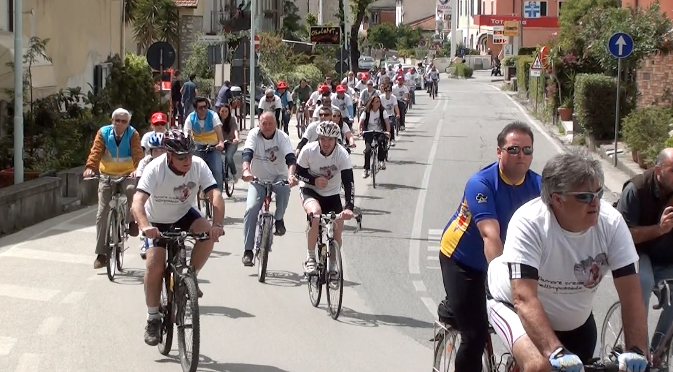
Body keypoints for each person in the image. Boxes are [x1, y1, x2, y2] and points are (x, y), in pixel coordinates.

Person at [487, 148, 648, 372]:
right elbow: (524, 298)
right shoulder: (529, 222)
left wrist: (637, 350)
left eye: (598, 194)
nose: (595, 203)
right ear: (557, 199)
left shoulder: (611, 223)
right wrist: (555, 351)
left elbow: (631, 295)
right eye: (584, 197)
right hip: (512, 304)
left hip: (574, 321)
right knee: (540, 366)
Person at [437, 121, 541, 372]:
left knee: (538, 327)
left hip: (510, 260)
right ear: (499, 152)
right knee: (475, 335)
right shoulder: (481, 183)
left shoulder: (539, 186)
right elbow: (490, 235)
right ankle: (456, 305)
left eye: (527, 151)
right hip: (463, 259)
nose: (521, 156)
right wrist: (501, 284)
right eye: (514, 149)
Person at [131, 129, 225, 346]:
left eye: (190, 155)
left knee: (207, 235)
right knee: (154, 265)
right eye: (182, 157)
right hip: (156, 221)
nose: (187, 161)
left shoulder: (198, 166)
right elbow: (137, 202)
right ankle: (153, 318)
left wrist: (217, 225)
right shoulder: (156, 168)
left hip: (184, 214)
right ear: (169, 155)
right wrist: (145, 226)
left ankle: (190, 275)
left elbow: (215, 195)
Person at [616, 147, 673, 363]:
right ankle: (638, 348)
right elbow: (623, 235)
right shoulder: (636, 189)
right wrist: (660, 229)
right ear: (658, 169)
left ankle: (658, 352)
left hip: (667, 256)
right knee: (644, 281)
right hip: (637, 253)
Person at [84, 108, 144, 269]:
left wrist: (138, 169)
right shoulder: (103, 133)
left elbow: (138, 154)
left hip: (126, 174)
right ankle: (101, 254)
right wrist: (90, 167)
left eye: (124, 121)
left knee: (131, 189)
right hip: (106, 175)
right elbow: (96, 152)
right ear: (112, 121)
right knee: (102, 214)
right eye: (117, 120)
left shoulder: (133, 134)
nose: (120, 124)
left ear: (128, 123)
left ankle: (132, 221)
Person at [240, 112, 299, 266]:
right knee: (251, 209)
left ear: (276, 124)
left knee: (285, 189)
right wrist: (246, 170)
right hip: (257, 179)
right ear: (259, 123)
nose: (266, 127)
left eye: (270, 124)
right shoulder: (254, 135)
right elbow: (247, 154)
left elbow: (290, 159)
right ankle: (248, 251)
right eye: (263, 123)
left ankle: (279, 219)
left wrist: (291, 176)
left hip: (278, 177)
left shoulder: (282, 137)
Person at [295, 121, 354, 274]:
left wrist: (348, 207)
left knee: (338, 227)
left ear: (336, 140)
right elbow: (297, 173)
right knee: (315, 215)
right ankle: (310, 258)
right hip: (309, 189)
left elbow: (349, 183)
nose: (326, 143)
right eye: (323, 139)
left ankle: (333, 263)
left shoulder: (342, 154)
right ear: (318, 138)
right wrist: (314, 180)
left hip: (332, 193)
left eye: (330, 139)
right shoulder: (308, 151)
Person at [183, 96, 226, 192]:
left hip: (213, 146)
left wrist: (221, 143)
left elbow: (219, 131)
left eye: (205, 107)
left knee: (216, 170)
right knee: (193, 170)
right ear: (195, 109)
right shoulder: (191, 118)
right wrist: (186, 147)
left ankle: (217, 194)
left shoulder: (213, 116)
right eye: (200, 108)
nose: (203, 109)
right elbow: (187, 134)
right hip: (198, 146)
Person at [135, 132, 167, 260]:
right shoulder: (145, 162)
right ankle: (145, 240)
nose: (159, 153)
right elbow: (139, 183)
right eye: (156, 150)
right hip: (150, 193)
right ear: (150, 151)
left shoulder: (172, 161)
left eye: (162, 149)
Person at [358, 95, 391, 179]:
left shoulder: (382, 111)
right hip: (369, 132)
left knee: (381, 142)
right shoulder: (367, 111)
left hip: (379, 131)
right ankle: (366, 169)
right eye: (376, 102)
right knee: (368, 150)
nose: (378, 103)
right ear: (372, 103)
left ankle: (381, 160)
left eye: (379, 101)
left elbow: (387, 123)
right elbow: (360, 123)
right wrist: (359, 131)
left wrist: (387, 132)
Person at [218, 104, 241, 183]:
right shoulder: (216, 120)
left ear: (229, 112)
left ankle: (234, 173)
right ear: (219, 111)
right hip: (220, 142)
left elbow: (235, 129)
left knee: (228, 157)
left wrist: (236, 138)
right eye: (222, 111)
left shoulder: (231, 119)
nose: (224, 113)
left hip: (231, 142)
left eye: (226, 111)